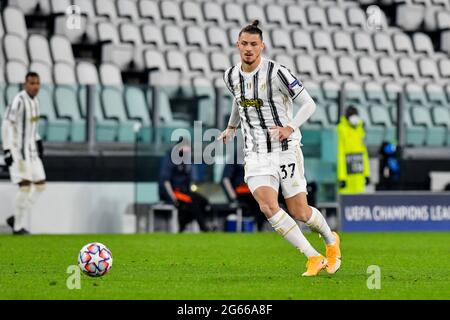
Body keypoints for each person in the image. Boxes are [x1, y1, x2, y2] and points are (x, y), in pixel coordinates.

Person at [218, 20, 341, 276]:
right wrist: (231, 127)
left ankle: (331, 240)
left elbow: (309, 104)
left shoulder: (277, 72)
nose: (248, 48)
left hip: (285, 149)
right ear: (237, 45)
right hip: (256, 152)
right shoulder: (230, 75)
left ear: (262, 46)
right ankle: (313, 256)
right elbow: (239, 101)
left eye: (254, 44)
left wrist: (290, 127)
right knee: (268, 206)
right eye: (244, 44)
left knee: (300, 212)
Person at [2, 72, 46, 235]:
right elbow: (7, 125)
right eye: (32, 83)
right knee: (25, 187)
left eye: (37, 83)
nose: (35, 86)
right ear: (25, 84)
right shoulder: (18, 101)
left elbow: (32, 126)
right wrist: (7, 149)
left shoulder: (35, 102)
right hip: (18, 152)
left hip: (31, 151)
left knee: (41, 185)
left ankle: (16, 218)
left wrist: (38, 140)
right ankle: (18, 227)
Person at [158, 138, 211, 232]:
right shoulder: (170, 157)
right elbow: (165, 181)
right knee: (193, 202)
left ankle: (183, 222)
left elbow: (192, 178)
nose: (188, 150)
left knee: (203, 202)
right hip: (175, 192)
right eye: (186, 147)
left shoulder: (187, 159)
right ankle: (204, 228)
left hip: (185, 192)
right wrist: (173, 198)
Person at [337, 106, 371, 194]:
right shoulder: (341, 129)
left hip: (358, 175)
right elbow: (339, 154)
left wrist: (367, 174)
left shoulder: (360, 130)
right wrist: (342, 177)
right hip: (347, 176)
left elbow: (364, 154)